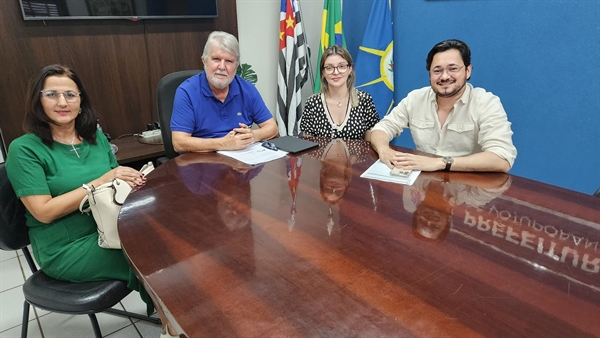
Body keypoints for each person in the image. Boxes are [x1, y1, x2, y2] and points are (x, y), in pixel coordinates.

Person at [5, 65, 177, 338]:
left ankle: (181, 319)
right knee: (154, 254)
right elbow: (43, 212)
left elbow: (114, 186)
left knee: (174, 237)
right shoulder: (24, 149)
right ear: (38, 100)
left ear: (81, 100)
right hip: (65, 247)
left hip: (110, 227)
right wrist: (99, 181)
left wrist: (135, 181)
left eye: (70, 95)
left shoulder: (95, 139)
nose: (62, 102)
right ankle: (176, 327)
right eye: (52, 94)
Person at [370, 39, 517, 173]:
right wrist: (384, 150)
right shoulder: (416, 98)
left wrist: (442, 163)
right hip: (424, 186)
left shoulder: (486, 103)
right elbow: (382, 128)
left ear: (468, 71)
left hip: (469, 190)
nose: (445, 76)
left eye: (453, 69)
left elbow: (502, 158)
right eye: (437, 71)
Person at [171, 31, 278, 153]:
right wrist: (224, 143)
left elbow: (272, 128)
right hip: (201, 164)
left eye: (229, 61)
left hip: (242, 162)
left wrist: (252, 136)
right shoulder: (187, 92)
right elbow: (179, 143)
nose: (222, 67)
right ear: (204, 61)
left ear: (236, 65)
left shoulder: (246, 89)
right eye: (216, 59)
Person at [300, 45, 379, 141]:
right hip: (321, 156)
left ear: (350, 69)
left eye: (341, 66)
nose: (336, 72)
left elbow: (370, 144)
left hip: (357, 156)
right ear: (323, 73)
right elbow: (309, 147)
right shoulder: (312, 103)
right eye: (329, 68)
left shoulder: (364, 100)